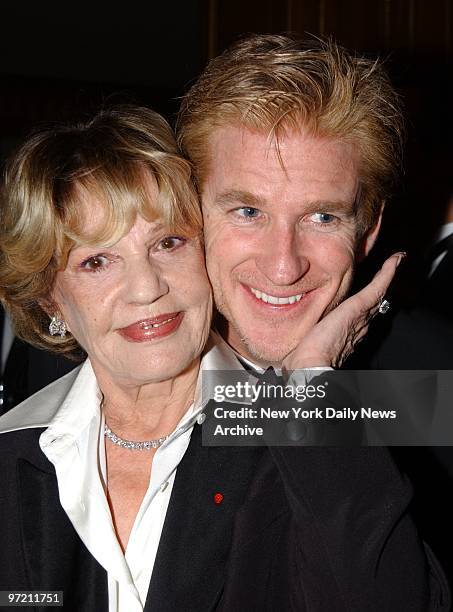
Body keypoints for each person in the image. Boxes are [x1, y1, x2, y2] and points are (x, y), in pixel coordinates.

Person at [0, 105, 448, 611]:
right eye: (96, 261)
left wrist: (311, 384)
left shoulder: (306, 434)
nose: (146, 288)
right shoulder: (15, 454)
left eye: (168, 242)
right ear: (49, 298)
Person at [176, 33, 452, 606]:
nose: (283, 266)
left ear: (368, 230)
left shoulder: (434, 381)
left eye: (323, 217)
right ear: (190, 207)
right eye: (248, 211)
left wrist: (309, 396)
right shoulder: (106, 358)